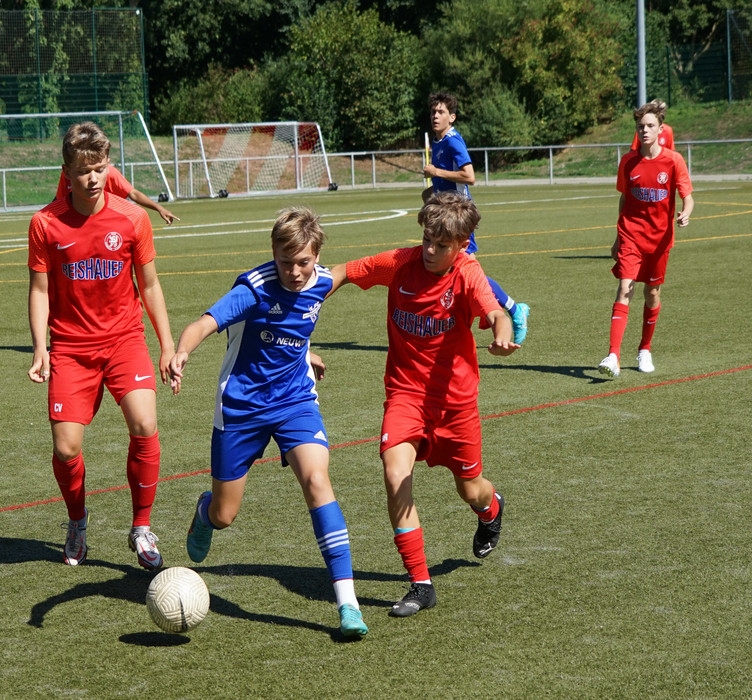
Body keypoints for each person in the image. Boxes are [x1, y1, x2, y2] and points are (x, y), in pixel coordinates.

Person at [171, 206, 369, 640]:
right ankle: (204, 512)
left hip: (295, 402)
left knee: (317, 480)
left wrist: (304, 352)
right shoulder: (253, 289)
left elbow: (357, 269)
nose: (295, 272)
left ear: (317, 256)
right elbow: (204, 323)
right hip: (241, 408)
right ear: (273, 253)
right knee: (225, 514)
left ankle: (348, 604)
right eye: (285, 262)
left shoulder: (321, 281)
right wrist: (182, 352)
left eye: (304, 262)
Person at [329, 190, 518, 617]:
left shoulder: (468, 274)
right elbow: (342, 272)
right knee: (395, 474)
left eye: (441, 245)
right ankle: (421, 583)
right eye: (426, 240)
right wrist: (302, 311)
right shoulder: (400, 262)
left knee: (470, 489)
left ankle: (491, 509)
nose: (430, 250)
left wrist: (502, 335)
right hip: (405, 396)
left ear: (462, 245)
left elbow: (495, 312)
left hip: (455, 405)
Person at [27, 121, 177, 570]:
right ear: (67, 173)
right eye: (83, 171)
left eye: (99, 168)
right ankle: (77, 522)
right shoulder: (45, 223)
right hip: (71, 348)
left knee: (145, 424)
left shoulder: (132, 218)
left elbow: (150, 286)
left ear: (109, 166)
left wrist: (167, 345)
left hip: (124, 340)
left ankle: (141, 527)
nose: (92, 178)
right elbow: (39, 290)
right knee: (66, 448)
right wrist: (40, 347)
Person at [422, 91, 530, 344]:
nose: (436, 116)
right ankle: (457, 320)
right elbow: (447, 180)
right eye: (433, 111)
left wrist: (436, 172)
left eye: (441, 112)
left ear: (452, 117)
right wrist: (431, 192)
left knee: (467, 270)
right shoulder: (438, 142)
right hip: (446, 215)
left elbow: (469, 176)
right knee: (449, 270)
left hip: (460, 217)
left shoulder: (453, 142)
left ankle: (515, 310)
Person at [598, 100, 694, 378]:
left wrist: (685, 213)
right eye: (641, 126)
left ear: (661, 129)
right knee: (624, 288)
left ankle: (645, 349)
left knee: (652, 293)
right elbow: (624, 198)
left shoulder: (673, 160)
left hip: (660, 240)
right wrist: (618, 237)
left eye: (650, 126)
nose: (645, 130)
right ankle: (613, 356)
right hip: (631, 235)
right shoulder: (628, 161)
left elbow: (688, 197)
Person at [55, 167, 179, 224]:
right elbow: (60, 200)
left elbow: (133, 193)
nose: (93, 179)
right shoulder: (69, 175)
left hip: (106, 223)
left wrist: (159, 208)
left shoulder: (111, 173)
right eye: (83, 172)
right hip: (78, 223)